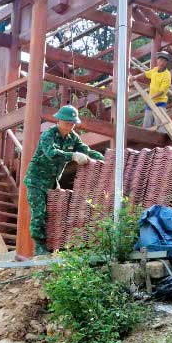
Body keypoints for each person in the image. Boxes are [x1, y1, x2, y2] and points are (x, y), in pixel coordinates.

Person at [25, 105, 103, 255]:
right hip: (36, 180)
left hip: (52, 181)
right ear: (59, 121)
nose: (70, 126)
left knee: (55, 212)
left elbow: (85, 150)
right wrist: (72, 156)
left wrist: (104, 158)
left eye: (72, 123)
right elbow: (51, 153)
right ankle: (39, 247)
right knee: (39, 213)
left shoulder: (73, 137)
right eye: (67, 123)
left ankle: (54, 245)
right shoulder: (48, 135)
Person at [139, 52, 172, 129]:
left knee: (161, 126)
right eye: (160, 60)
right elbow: (146, 74)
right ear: (157, 60)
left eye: (164, 61)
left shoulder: (167, 75)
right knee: (146, 126)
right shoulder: (155, 70)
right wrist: (135, 77)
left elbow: (162, 92)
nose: (162, 62)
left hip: (160, 103)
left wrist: (150, 98)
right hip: (150, 102)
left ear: (166, 63)